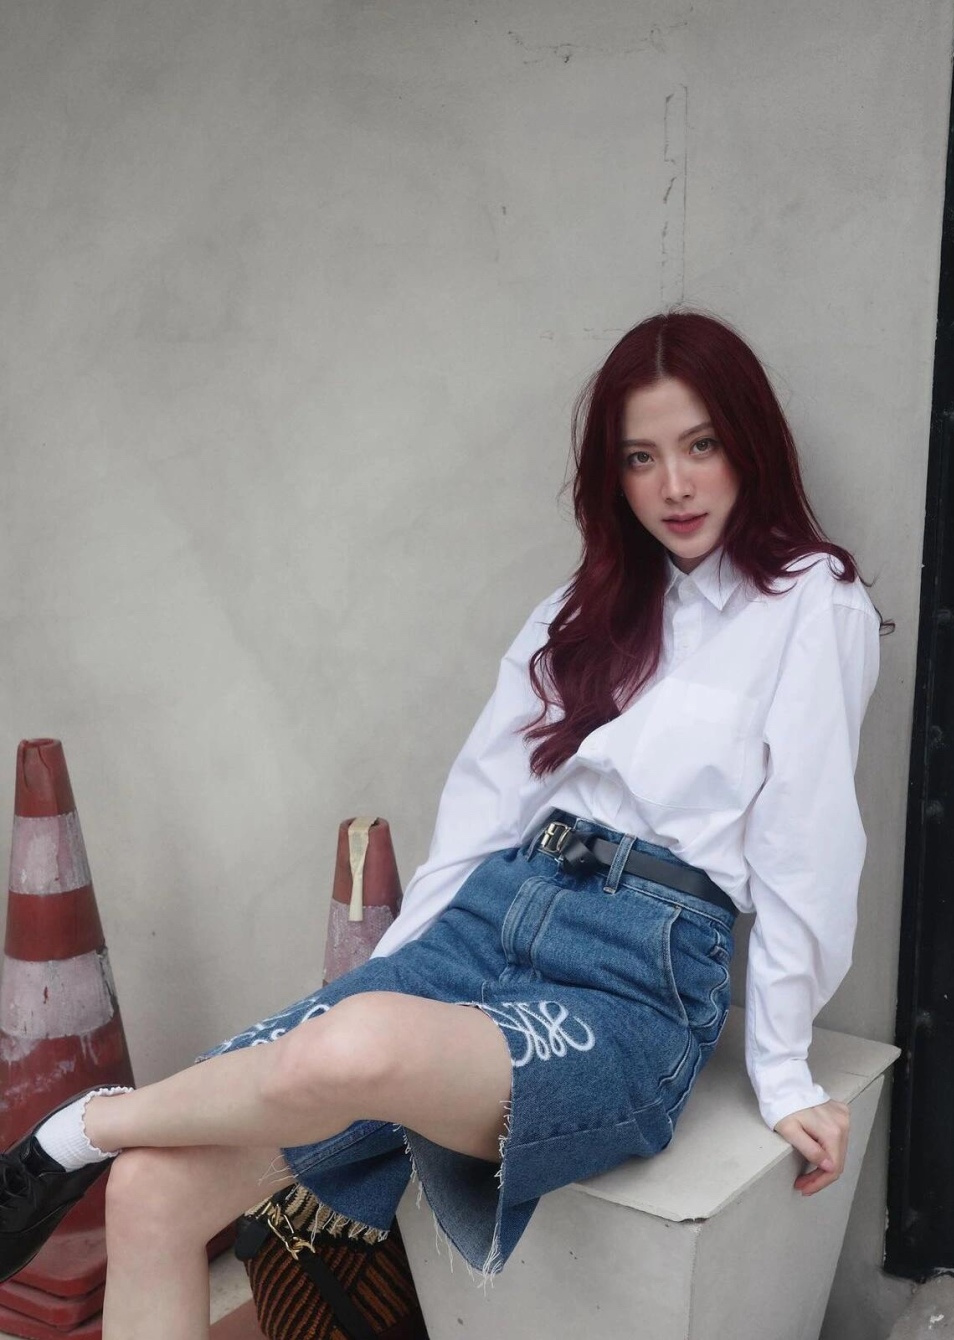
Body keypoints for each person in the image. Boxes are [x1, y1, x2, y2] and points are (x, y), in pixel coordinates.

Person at [0, 310, 880, 1338]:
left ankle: (78, 1126)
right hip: (488, 917)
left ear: (750, 443)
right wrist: (395, 978)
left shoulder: (811, 601)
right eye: (641, 458)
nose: (674, 485)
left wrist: (783, 1069)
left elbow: (808, 846)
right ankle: (107, 1138)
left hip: (635, 974)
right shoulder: (579, 610)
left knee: (342, 1052)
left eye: (702, 445)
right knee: (154, 1187)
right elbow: (481, 810)